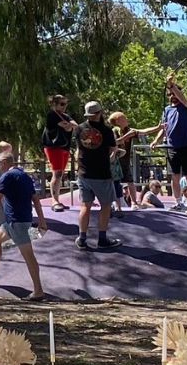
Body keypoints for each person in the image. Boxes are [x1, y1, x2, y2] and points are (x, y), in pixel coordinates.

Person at [0, 143, 48, 299]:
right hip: (19, 220)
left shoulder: (7, 176)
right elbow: (35, 199)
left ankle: (38, 290)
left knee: (28, 255)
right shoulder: (25, 176)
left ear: (4, 162)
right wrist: (41, 220)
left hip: (16, 220)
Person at [154, 75, 187, 215]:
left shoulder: (186, 105)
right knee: (174, 176)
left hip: (186, 145)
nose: (171, 96)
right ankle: (177, 202)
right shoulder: (166, 110)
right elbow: (164, 128)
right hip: (172, 147)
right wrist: (156, 140)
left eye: (173, 93)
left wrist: (171, 84)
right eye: (169, 94)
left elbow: (181, 97)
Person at [74, 100, 119, 249]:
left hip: (84, 172)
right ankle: (102, 239)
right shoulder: (106, 131)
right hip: (101, 173)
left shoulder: (79, 129)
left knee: (85, 206)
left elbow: (78, 150)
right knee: (105, 206)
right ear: (100, 113)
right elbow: (113, 148)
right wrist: (110, 157)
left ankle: (82, 238)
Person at [40, 94, 77, 208]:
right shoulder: (52, 115)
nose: (64, 106)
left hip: (64, 146)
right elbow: (66, 126)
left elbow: (75, 126)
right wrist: (69, 125)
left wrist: (69, 125)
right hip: (54, 146)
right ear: (54, 104)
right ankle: (54, 201)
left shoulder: (65, 115)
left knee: (60, 173)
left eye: (65, 104)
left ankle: (57, 199)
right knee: (57, 173)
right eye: (61, 104)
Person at [108, 111, 142, 208]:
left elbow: (144, 131)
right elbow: (115, 142)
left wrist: (158, 128)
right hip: (115, 161)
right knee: (113, 182)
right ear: (118, 121)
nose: (127, 120)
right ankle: (111, 203)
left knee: (130, 181)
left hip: (125, 160)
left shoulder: (129, 130)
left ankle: (134, 202)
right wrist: (128, 135)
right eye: (124, 118)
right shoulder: (113, 131)